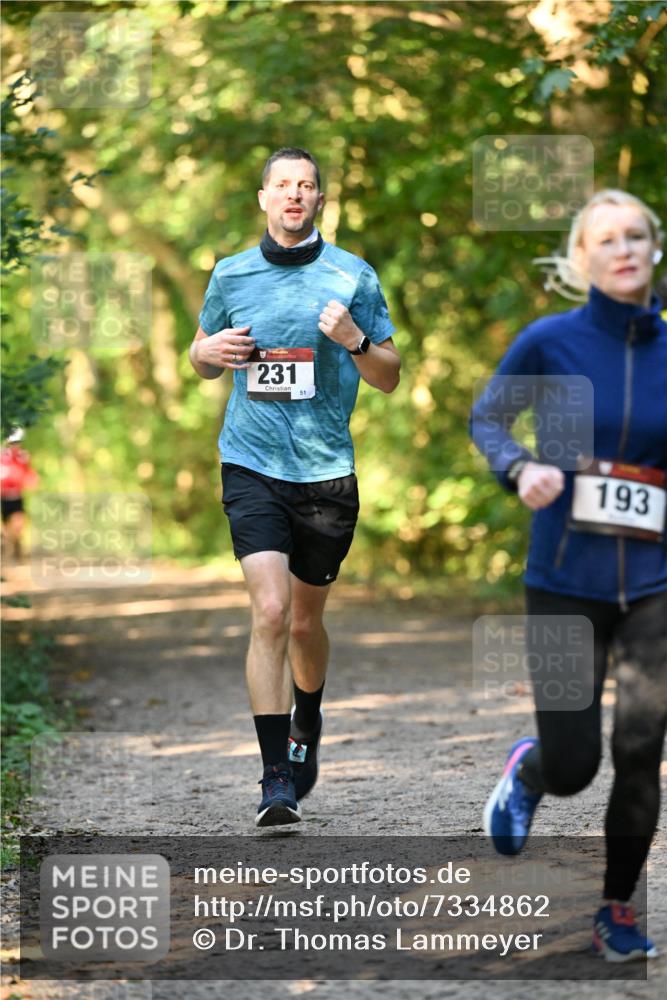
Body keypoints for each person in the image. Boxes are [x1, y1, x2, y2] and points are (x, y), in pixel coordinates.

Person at [470, 190, 667, 961]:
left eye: (636, 235)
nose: (622, 249)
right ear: (580, 259)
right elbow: (488, 417)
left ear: (654, 247)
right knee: (576, 762)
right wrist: (517, 468)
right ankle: (533, 770)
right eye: (605, 239)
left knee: (640, 745)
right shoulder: (549, 341)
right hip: (561, 577)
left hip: (656, 580)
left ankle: (616, 907)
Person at [189, 147, 400, 827]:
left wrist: (355, 338)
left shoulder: (352, 276)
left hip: (324, 473)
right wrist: (205, 355)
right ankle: (274, 777)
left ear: (318, 201)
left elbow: (389, 375)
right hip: (249, 463)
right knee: (271, 613)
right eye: (282, 184)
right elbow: (201, 354)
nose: (293, 194)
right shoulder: (230, 274)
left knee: (306, 622)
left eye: (305, 186)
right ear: (263, 198)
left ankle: (307, 714)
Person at [1, 429, 38, 563]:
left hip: (17, 496)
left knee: (18, 524)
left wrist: (32, 480)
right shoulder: (2, 457)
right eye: (13, 443)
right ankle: (8, 552)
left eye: (17, 442)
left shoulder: (23, 457)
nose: (15, 445)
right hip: (4, 498)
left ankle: (18, 550)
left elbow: (29, 473)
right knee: (6, 529)